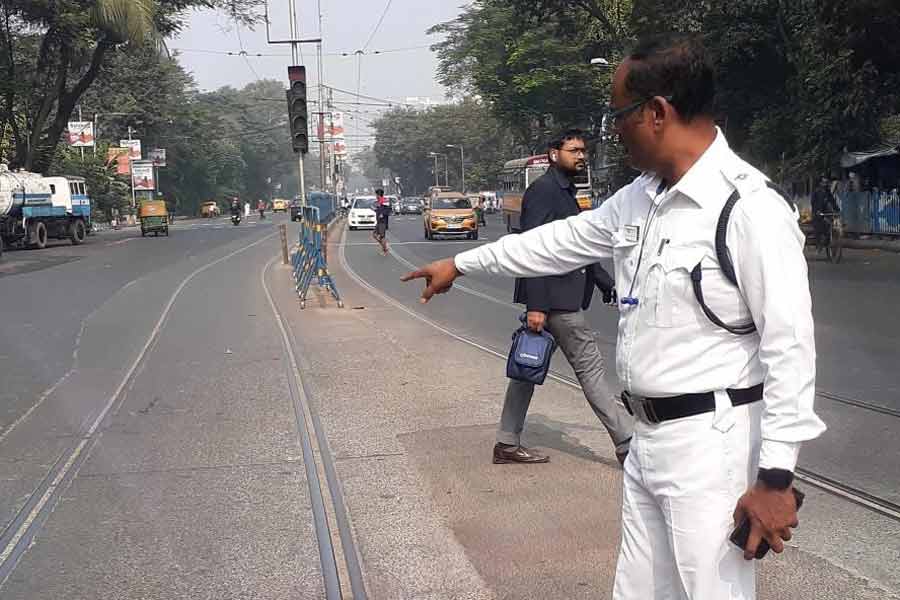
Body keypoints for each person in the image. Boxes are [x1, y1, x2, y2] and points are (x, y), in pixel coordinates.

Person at [403, 34, 825, 600]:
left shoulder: (748, 209)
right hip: (647, 440)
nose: (611, 130)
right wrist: (461, 261)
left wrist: (775, 479)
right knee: (637, 592)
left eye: (618, 114)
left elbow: (791, 349)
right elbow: (558, 242)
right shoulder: (640, 197)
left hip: (711, 446)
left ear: (657, 113)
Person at [493, 128, 633, 466]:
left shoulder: (566, 192)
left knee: (527, 369)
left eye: (583, 150)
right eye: (574, 150)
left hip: (559, 299)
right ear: (554, 154)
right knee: (591, 371)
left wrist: (604, 283)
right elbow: (532, 249)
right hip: (555, 301)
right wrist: (536, 306)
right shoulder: (543, 191)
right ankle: (627, 444)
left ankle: (507, 442)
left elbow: (575, 250)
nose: (581, 156)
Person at [811, 176, 839, 252]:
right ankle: (818, 245)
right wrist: (817, 211)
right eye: (823, 182)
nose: (825, 184)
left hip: (826, 212)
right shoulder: (816, 191)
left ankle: (829, 240)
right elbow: (813, 203)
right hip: (817, 213)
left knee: (830, 224)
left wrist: (837, 209)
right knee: (818, 227)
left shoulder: (827, 192)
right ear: (820, 183)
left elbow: (832, 201)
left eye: (826, 182)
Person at [373, 188, 390, 255]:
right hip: (379, 222)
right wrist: (375, 210)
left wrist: (382, 214)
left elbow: (388, 210)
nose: (375, 196)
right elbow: (378, 209)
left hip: (383, 222)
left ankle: (385, 250)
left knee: (382, 236)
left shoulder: (385, 201)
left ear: (378, 195)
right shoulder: (378, 202)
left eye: (376, 195)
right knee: (374, 235)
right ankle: (385, 246)